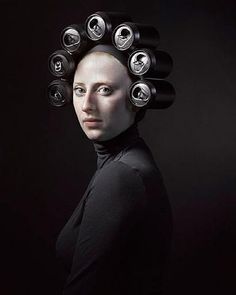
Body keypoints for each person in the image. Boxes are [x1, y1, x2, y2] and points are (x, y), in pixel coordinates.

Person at [55, 44, 173, 295]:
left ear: (137, 97)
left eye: (104, 90)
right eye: (79, 90)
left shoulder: (121, 176)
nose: (87, 104)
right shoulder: (129, 162)